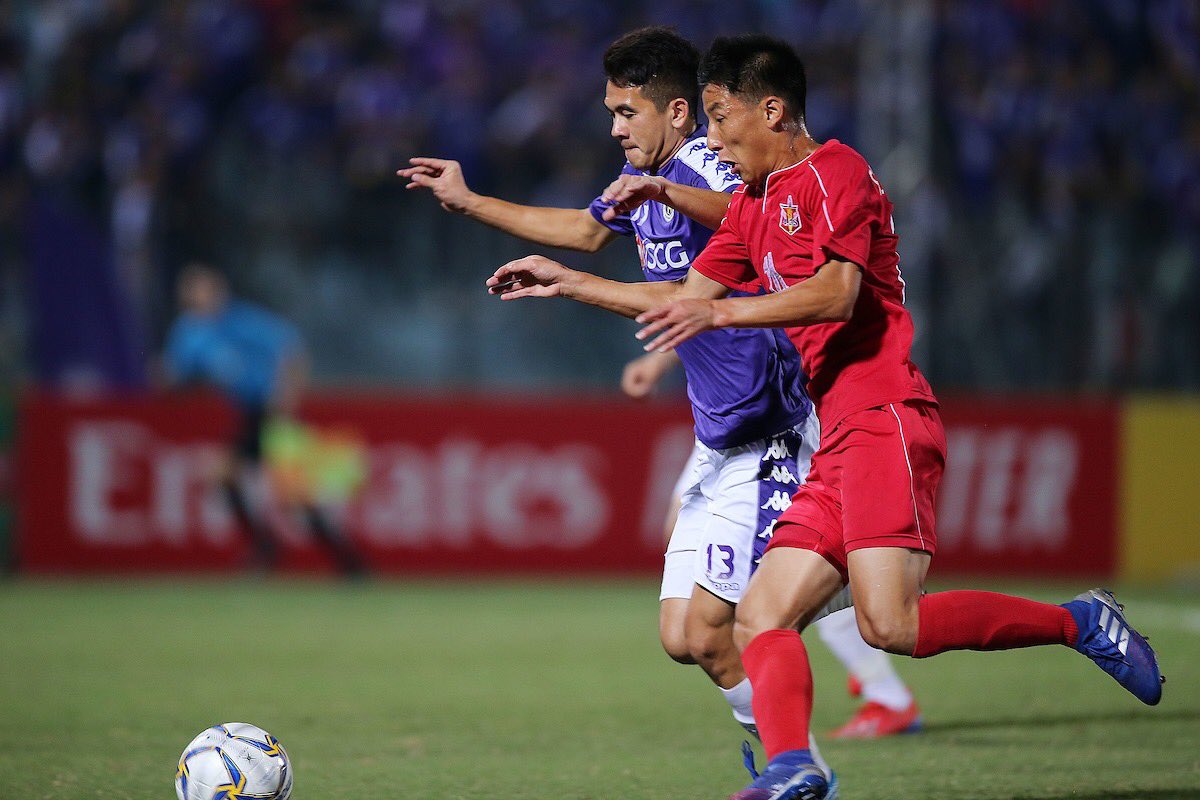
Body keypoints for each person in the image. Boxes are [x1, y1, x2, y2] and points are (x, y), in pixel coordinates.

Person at [488, 35, 1164, 800]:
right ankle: (794, 767)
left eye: (719, 117)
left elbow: (836, 295)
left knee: (891, 626)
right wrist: (569, 280)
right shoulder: (753, 206)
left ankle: (1078, 622)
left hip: (886, 416)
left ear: (770, 109)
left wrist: (726, 316)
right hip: (833, 434)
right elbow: (683, 300)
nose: (710, 138)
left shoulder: (835, 172)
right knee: (759, 617)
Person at [402, 27, 857, 782]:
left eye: (625, 111)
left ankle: (795, 763)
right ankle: (795, 756)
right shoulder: (643, 184)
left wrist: (583, 285)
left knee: (771, 623)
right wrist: (469, 201)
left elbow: (723, 251)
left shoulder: (711, 170)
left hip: (772, 428)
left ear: (678, 111)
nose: (613, 127)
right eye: (609, 111)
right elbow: (584, 231)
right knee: (687, 637)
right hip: (721, 437)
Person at [621, 350, 920, 739]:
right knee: (684, 627)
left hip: (780, 422)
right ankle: (858, 596)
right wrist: (659, 360)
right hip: (719, 425)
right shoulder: (708, 299)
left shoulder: (784, 293)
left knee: (751, 612)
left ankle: (860, 711)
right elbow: (695, 303)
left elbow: (722, 306)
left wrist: (577, 285)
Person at [163, 263, 366, 577]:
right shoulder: (189, 333)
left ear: (218, 291)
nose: (199, 296)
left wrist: (287, 393)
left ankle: (347, 561)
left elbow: (291, 348)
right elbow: (178, 376)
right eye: (192, 291)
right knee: (224, 478)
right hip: (247, 414)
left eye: (204, 289)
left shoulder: (241, 321)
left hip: (271, 413)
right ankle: (268, 547)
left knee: (294, 495)